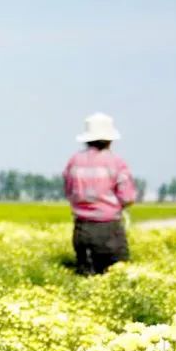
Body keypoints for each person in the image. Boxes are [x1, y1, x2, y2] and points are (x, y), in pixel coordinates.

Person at [64, 113, 137, 275]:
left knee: (85, 275)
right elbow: (128, 197)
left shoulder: (74, 161)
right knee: (117, 274)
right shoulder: (116, 162)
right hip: (108, 228)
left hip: (81, 228)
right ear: (110, 140)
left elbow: (69, 192)